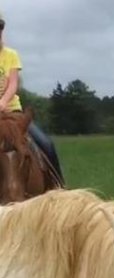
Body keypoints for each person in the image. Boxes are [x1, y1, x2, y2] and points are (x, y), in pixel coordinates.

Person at [0, 11, 66, 187]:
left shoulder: (10, 55)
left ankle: (59, 186)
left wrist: (3, 102)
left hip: (13, 112)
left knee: (46, 143)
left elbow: (13, 83)